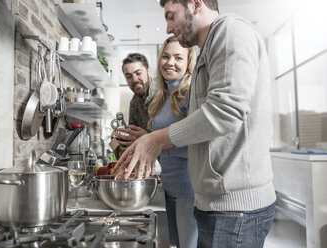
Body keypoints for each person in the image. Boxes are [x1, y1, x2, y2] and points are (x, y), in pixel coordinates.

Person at [114, 0, 277, 247]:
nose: (168, 28)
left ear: (195, 4)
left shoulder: (230, 31)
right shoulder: (209, 49)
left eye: (171, 16)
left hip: (235, 208)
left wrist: (155, 139)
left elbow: (225, 112)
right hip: (216, 203)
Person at [147, 36, 197, 248]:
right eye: (166, 56)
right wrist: (145, 137)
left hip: (188, 188)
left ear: (188, 64)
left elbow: (196, 137)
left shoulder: (190, 94)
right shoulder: (162, 96)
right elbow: (163, 136)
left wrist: (158, 143)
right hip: (168, 186)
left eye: (178, 58)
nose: (170, 62)